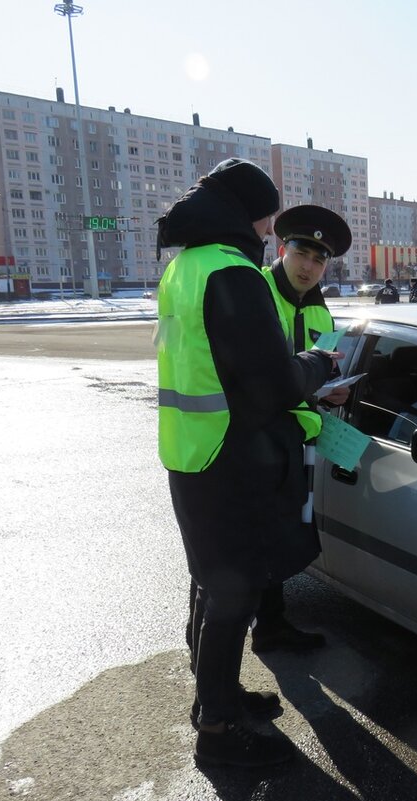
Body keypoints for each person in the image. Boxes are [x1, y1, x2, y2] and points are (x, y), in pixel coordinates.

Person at [156, 158, 339, 769]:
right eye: (268, 218)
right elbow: (273, 384)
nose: (268, 230)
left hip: (191, 450)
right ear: (251, 215)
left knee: (215, 587)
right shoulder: (231, 273)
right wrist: (319, 367)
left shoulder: (184, 266)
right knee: (231, 595)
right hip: (229, 458)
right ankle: (216, 718)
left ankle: (219, 694)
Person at [254, 203, 353, 653]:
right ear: (282, 248)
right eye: (302, 253)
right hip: (250, 440)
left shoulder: (320, 312)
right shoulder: (254, 294)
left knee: (279, 537)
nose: (309, 267)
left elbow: (324, 372)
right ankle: (226, 656)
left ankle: (271, 624)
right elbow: (255, 379)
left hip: (295, 442)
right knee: (246, 548)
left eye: (320, 259)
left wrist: (335, 391)